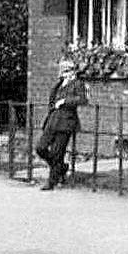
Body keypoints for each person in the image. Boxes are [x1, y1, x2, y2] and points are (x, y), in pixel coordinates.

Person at [35, 58, 88, 190]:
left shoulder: (78, 84)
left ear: (73, 71)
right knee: (40, 148)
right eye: (63, 71)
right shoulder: (58, 85)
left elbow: (82, 99)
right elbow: (51, 101)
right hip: (52, 121)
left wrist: (65, 101)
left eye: (68, 71)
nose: (66, 74)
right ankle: (61, 167)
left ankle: (51, 182)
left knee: (57, 152)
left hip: (66, 122)